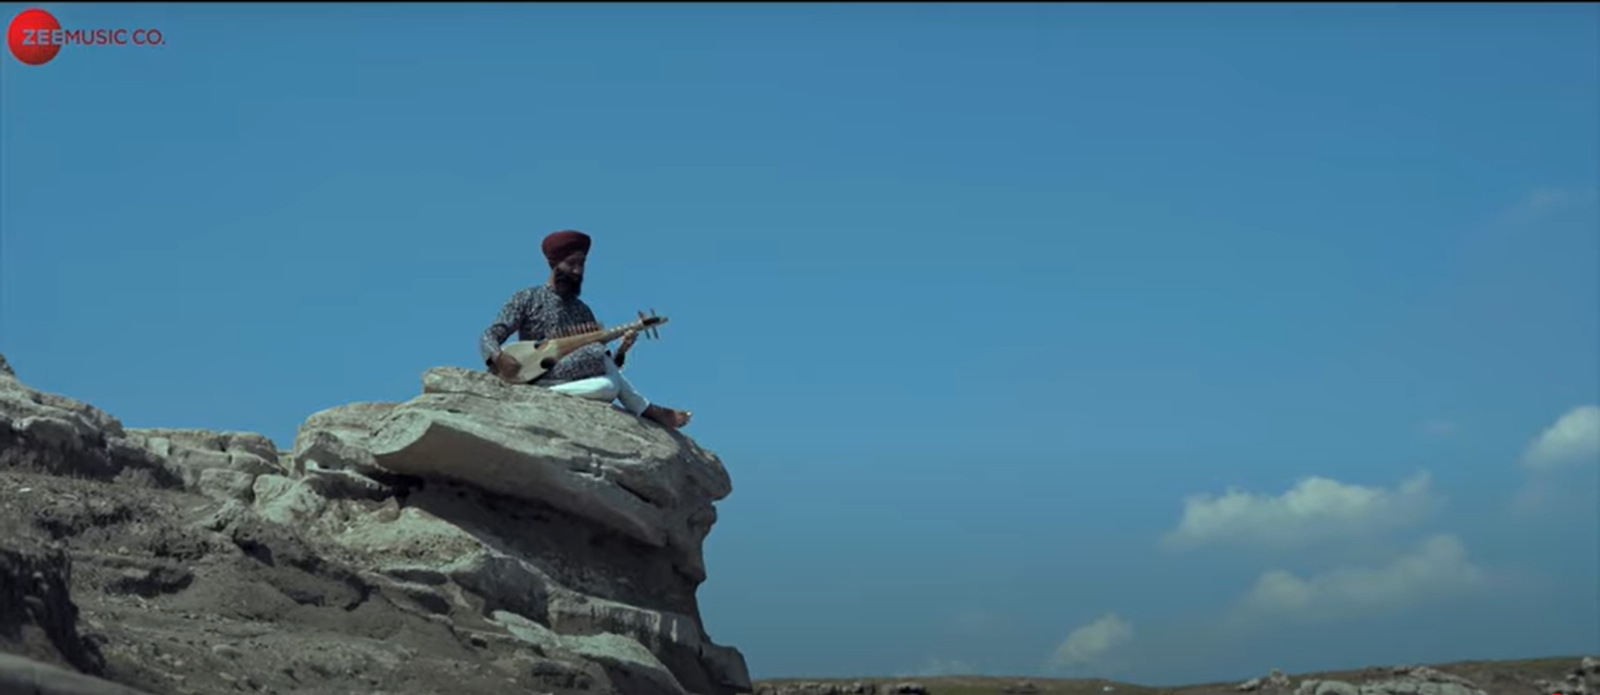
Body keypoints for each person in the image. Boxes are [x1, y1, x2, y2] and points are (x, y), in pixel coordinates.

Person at [478, 230, 692, 430]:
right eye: (572, 264)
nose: (578, 271)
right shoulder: (528, 298)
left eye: (582, 265)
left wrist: (622, 350)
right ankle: (646, 409)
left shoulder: (582, 310)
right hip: (533, 373)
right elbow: (489, 335)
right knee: (598, 358)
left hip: (569, 379)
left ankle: (549, 393)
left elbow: (602, 365)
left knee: (608, 385)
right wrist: (498, 356)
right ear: (554, 263)